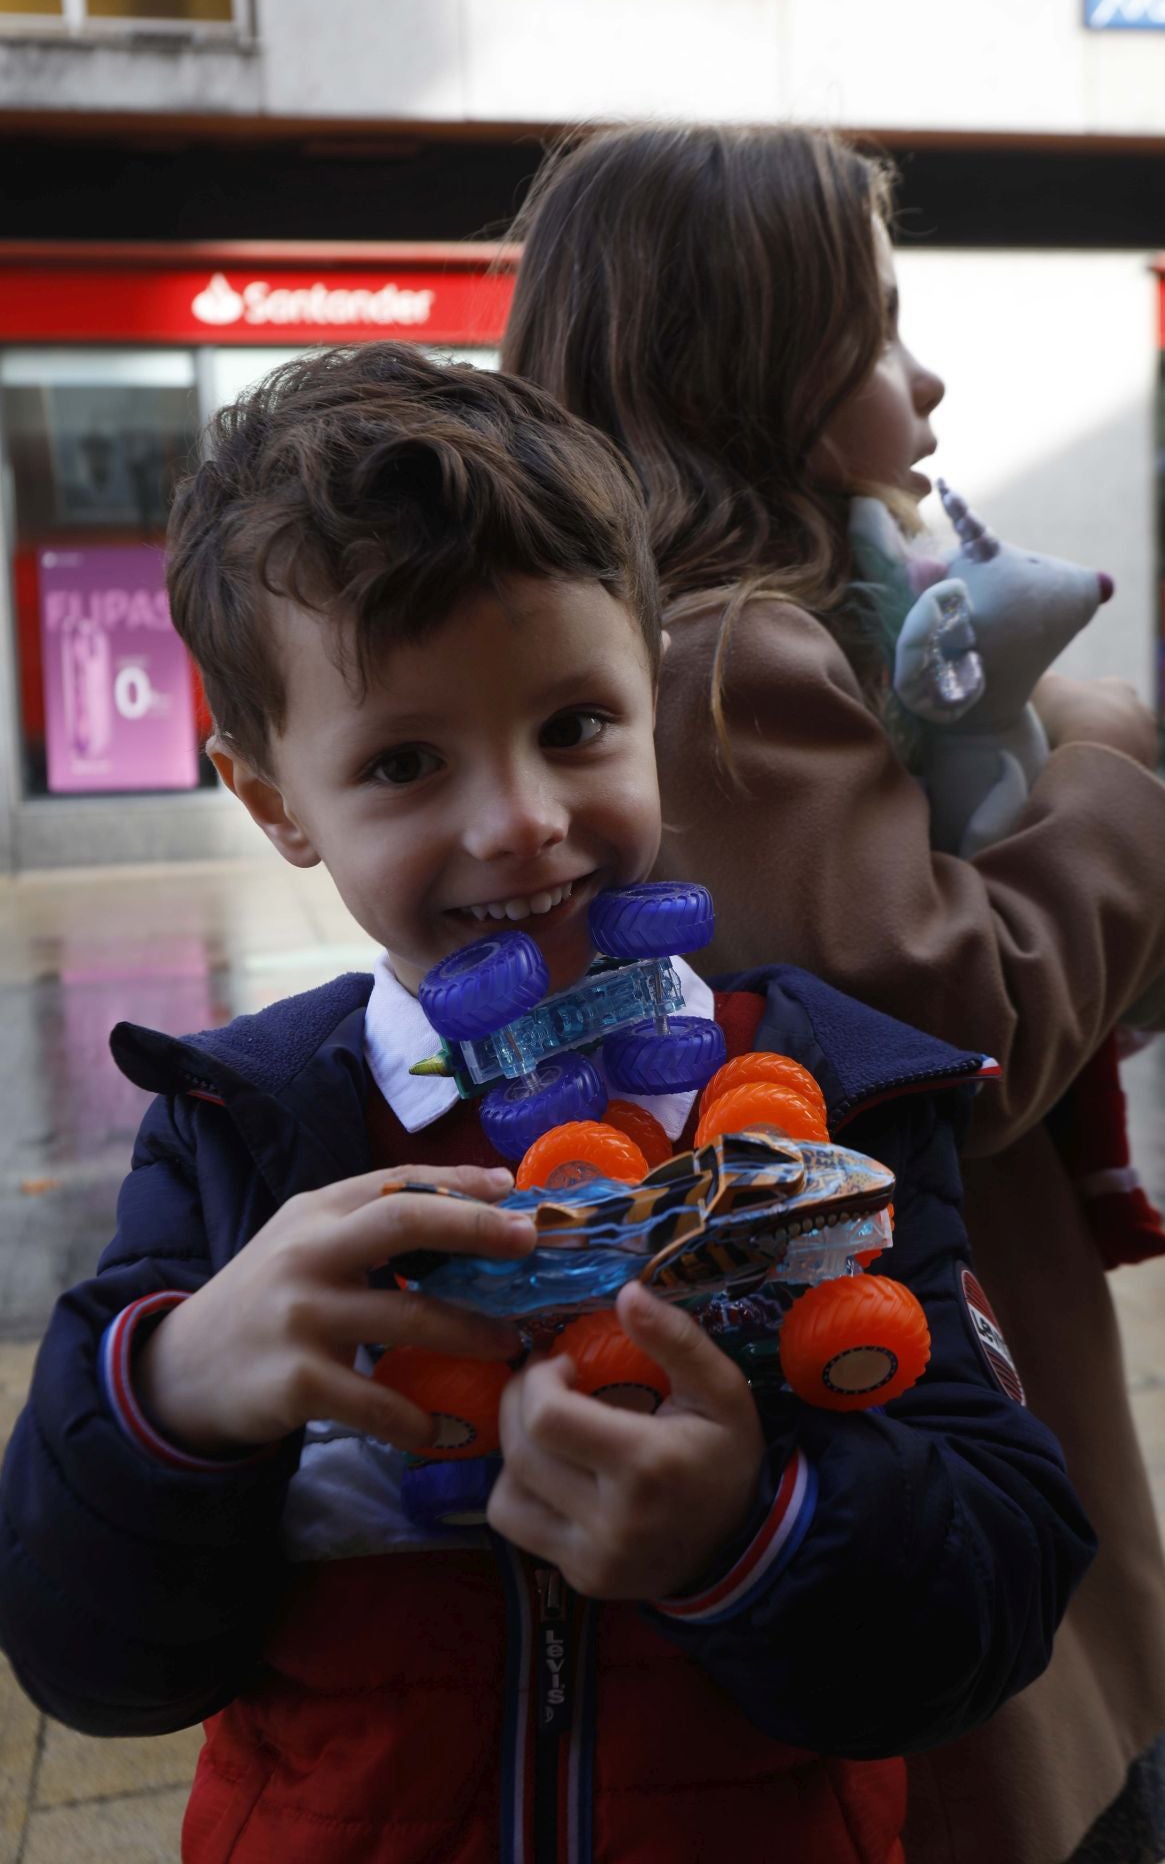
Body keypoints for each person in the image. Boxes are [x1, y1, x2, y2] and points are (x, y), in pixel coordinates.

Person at [0, 345, 1094, 1864]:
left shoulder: (838, 1101)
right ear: (273, 802)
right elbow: (89, 1663)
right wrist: (175, 1390)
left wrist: (747, 1533)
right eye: (401, 761)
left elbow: (997, 1600)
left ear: (650, 699)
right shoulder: (243, 1133)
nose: (519, 822)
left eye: (575, 725)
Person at [502, 124, 1165, 1864]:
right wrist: (1107, 777)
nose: (929, 373)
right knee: (1055, 1787)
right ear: (748, 360)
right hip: (906, 1403)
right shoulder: (726, 658)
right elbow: (955, 1039)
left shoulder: (718, 626)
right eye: (876, 328)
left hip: (897, 1393)